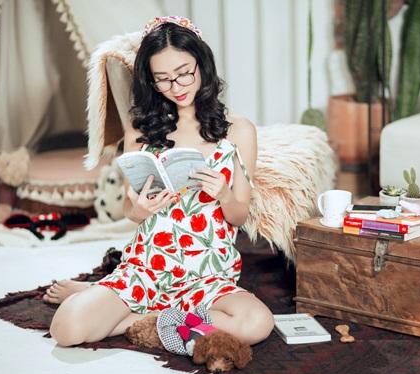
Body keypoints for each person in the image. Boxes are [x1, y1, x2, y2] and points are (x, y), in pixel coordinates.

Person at [44, 16, 274, 348]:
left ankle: (141, 320)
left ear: (202, 64)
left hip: (207, 275)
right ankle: (173, 321)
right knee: (65, 329)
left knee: (257, 323)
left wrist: (223, 194)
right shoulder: (140, 130)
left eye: (184, 73)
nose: (177, 87)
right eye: (163, 80)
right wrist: (140, 208)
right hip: (147, 268)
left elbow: (239, 216)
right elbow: (131, 211)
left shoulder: (239, 130)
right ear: (151, 82)